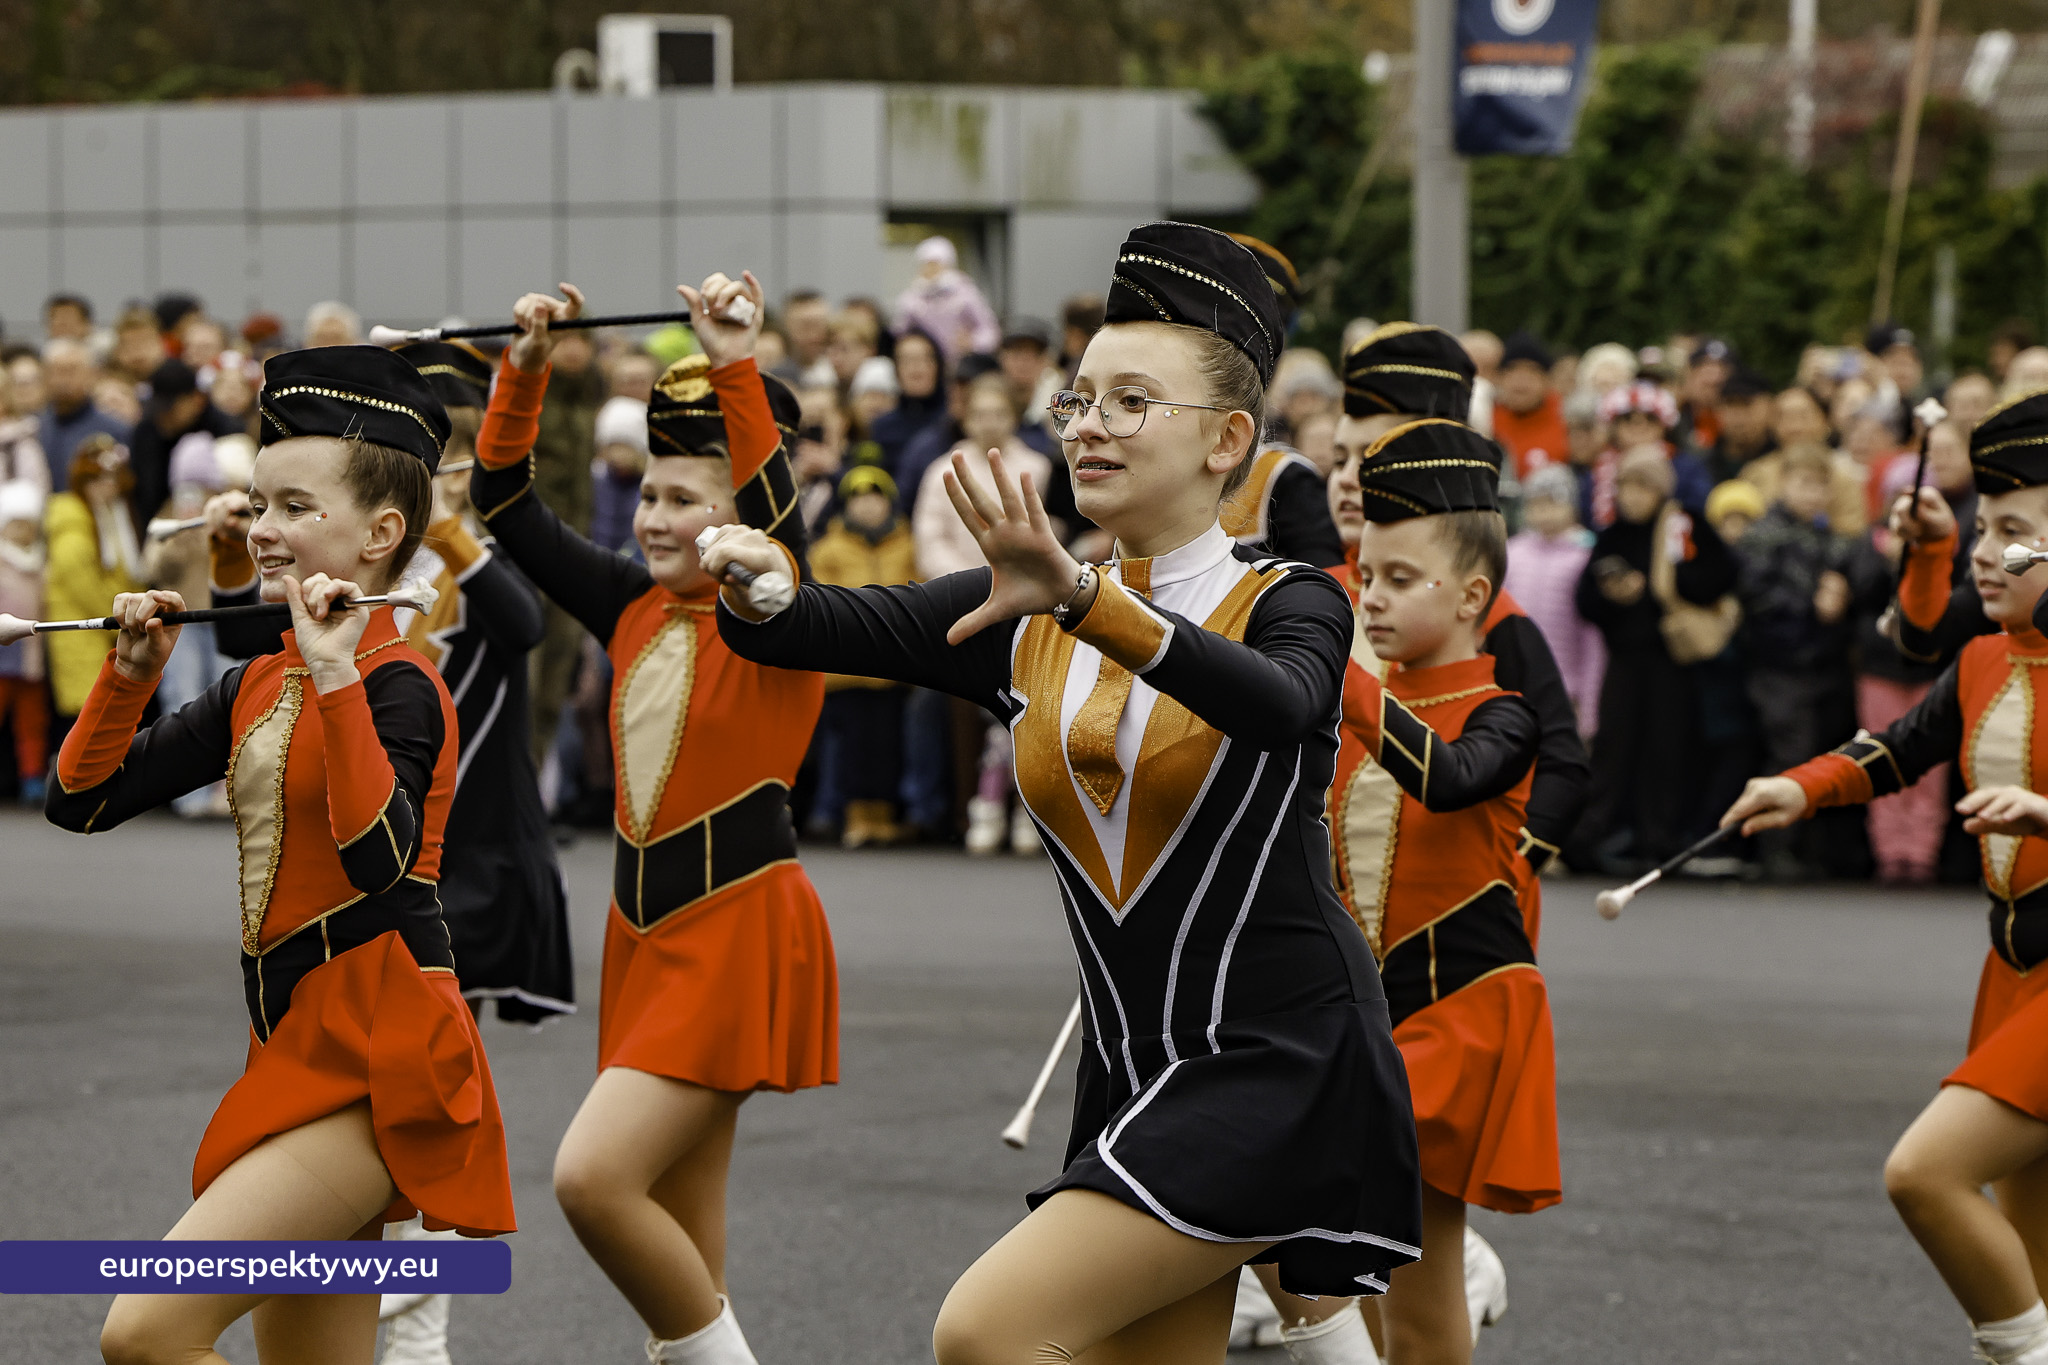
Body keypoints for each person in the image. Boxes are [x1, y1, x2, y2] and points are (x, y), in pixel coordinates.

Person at [707, 221, 1423, 1364]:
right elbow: (805, 622)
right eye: (1079, 402)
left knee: (982, 1334)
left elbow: (1283, 706)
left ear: (1226, 439)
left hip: (1278, 1062)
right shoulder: (1024, 613)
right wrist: (759, 583)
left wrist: (1085, 597)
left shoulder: (1290, 598)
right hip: (1132, 1073)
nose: (1087, 426)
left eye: (1130, 402)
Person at [45, 343, 514, 1365]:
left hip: (377, 1056)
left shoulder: (398, 682)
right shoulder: (259, 681)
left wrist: (339, 677)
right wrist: (130, 677)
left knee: (147, 1330)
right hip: (292, 1046)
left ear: (383, 533)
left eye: (296, 508)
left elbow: (380, 860)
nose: (262, 530)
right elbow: (79, 805)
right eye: (261, 504)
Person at [472, 272, 836, 1364]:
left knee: (592, 1179)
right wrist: (523, 376)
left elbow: (775, 529)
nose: (658, 518)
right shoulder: (629, 601)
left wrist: (732, 360)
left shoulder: (780, 615)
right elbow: (503, 504)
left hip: (733, 929)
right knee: (684, 1231)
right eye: (649, 496)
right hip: (643, 936)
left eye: (688, 499)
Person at [1722, 388, 2048, 1365]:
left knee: (1924, 1174)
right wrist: (1796, 786)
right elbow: (1898, 741)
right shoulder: (1988, 654)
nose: (1988, 552)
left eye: (2014, 533)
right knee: (2028, 1239)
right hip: (2009, 976)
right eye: (1982, 528)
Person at [1282, 418, 1557, 1365]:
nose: (1374, 597)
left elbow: (1443, 775)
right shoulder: (1366, 712)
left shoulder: (1504, 715)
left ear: (1475, 594)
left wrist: (1340, 675)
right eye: (1366, 578)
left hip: (1462, 1012)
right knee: (1370, 1255)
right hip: (1374, 1014)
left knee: (1399, 1254)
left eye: (1402, 580)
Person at [1572, 447, 1737, 872]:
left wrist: (1669, 581)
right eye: (1625, 485)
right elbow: (1584, 601)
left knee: (1666, 748)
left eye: (1642, 486)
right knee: (1612, 746)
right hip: (1625, 658)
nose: (1632, 496)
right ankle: (1591, 838)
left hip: (1672, 659)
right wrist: (1614, 596)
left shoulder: (1683, 526)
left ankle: (1659, 839)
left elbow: (1721, 575)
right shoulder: (1612, 535)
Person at [911, 372, 1054, 858]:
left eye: (1000, 414)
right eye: (980, 414)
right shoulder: (940, 470)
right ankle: (961, 808)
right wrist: (973, 584)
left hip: (1033, 601)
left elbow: (1052, 531)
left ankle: (1027, 809)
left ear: (1013, 418)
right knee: (947, 708)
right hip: (962, 602)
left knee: (1032, 705)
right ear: (965, 417)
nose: (990, 422)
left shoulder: (1039, 465)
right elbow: (929, 539)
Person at [1730, 444, 1855, 879]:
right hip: (1778, 664)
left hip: (1821, 663)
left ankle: (1807, 850)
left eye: (1821, 485)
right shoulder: (1763, 534)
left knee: (1817, 756)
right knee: (1789, 754)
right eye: (1805, 483)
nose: (1813, 493)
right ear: (1784, 484)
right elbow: (1756, 597)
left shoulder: (1828, 538)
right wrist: (1810, 606)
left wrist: (1837, 602)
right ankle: (1776, 848)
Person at [805, 464, 919, 848]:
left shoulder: (908, 546)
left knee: (887, 745)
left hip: (891, 667)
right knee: (853, 746)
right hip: (847, 669)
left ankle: (882, 817)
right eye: (858, 500)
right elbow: (821, 601)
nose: (868, 507)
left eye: (876, 499)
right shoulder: (828, 550)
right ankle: (855, 816)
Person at [42, 436, 142, 725]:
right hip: (83, 640)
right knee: (86, 722)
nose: (107, 488)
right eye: (98, 480)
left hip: (103, 637)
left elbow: (124, 573)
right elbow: (88, 590)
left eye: (112, 480)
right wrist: (127, 609)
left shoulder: (108, 519)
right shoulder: (72, 527)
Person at [1506, 465, 1603, 737]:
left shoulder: (1584, 557)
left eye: (1553, 504)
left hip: (1566, 690)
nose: (1544, 513)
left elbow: (1591, 639)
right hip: (1516, 687)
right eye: (1536, 505)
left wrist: (1589, 705)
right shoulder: (1512, 555)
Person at [129, 356, 240, 525]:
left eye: (170, 408)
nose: (162, 416)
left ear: (196, 400)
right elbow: (144, 495)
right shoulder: (147, 431)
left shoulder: (227, 431)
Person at [0, 479, 48, 803]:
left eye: (29, 525)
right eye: (17, 524)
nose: (23, 531)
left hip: (30, 657)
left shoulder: (40, 563)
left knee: (32, 721)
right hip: (2, 659)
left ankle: (32, 777)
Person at [37, 337, 130, 491]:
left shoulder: (115, 430)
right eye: (55, 371)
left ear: (91, 375)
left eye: (71, 371)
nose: (62, 380)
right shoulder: (35, 428)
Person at [892, 235, 1000, 364]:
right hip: (927, 364)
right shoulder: (911, 298)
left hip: (961, 363)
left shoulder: (966, 293)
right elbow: (898, 333)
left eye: (935, 265)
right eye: (926, 265)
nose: (930, 270)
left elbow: (990, 331)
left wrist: (973, 343)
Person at [1489, 332, 1567, 478]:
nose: (1521, 379)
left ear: (1547, 380)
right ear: (1498, 378)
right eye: (1512, 369)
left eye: (1532, 370)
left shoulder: (1566, 419)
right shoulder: (1484, 420)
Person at [870, 327, 945, 474]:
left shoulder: (952, 423)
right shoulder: (882, 427)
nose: (915, 368)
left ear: (938, 366)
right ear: (896, 370)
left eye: (924, 359)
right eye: (907, 360)